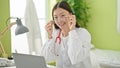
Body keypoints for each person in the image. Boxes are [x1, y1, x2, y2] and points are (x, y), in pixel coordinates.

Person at [41, 1, 92, 68]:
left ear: (71, 15)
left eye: (62, 15)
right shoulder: (55, 34)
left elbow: (75, 58)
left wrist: (72, 30)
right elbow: (46, 58)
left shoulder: (83, 33)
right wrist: (49, 37)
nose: (59, 20)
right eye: (55, 17)